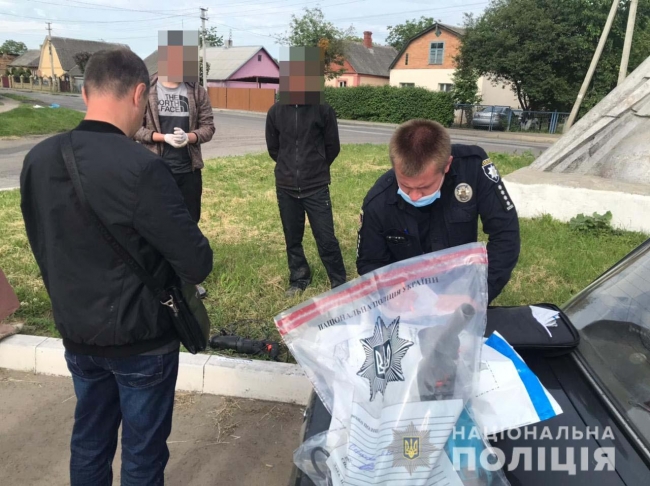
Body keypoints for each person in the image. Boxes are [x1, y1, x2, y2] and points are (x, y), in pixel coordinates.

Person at [20, 49, 213, 485]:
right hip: (142, 339)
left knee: (89, 442)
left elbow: (42, 245)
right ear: (140, 94)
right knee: (142, 455)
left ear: (85, 93)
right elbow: (196, 261)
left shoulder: (39, 159)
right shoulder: (143, 167)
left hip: (77, 333)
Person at [356, 119, 520, 303]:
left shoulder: (472, 169)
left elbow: (505, 234)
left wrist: (477, 294)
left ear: (447, 165)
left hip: (461, 285)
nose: (414, 196)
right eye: (405, 186)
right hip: (408, 297)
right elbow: (369, 261)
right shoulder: (378, 201)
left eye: (424, 187)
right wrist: (389, 291)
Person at [265, 86, 347, 296]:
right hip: (286, 186)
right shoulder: (275, 112)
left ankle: (338, 282)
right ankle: (299, 278)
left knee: (326, 238)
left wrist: (316, 166)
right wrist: (289, 167)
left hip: (316, 186)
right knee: (292, 238)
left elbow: (333, 146)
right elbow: (274, 148)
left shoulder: (323, 109)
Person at [133, 32, 215, 224]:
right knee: (156, 223)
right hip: (155, 170)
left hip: (189, 172)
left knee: (189, 222)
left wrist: (190, 137)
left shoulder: (197, 91)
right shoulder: (146, 89)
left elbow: (208, 127)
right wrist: (162, 137)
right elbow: (135, 128)